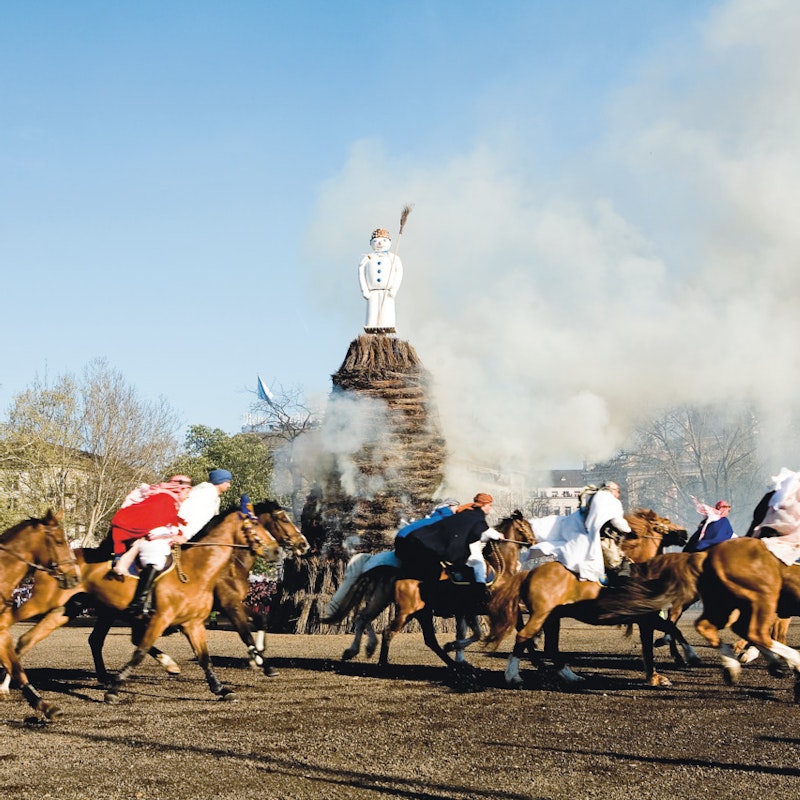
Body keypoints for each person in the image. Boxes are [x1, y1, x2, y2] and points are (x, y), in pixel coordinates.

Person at [110, 475, 193, 616]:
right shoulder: (165, 499)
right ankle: (138, 603)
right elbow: (153, 528)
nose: (188, 496)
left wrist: (177, 533)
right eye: (187, 492)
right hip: (143, 537)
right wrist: (175, 535)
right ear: (180, 489)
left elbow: (165, 523)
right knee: (156, 560)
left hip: (151, 536)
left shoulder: (171, 500)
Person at [395, 493, 501, 601]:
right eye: (489, 505)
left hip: (405, 539)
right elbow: (480, 530)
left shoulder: (451, 516)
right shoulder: (464, 517)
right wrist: (498, 535)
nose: (458, 509)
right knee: (477, 563)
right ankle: (478, 592)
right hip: (414, 543)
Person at [524, 481, 632, 584]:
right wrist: (629, 530)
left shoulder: (594, 497)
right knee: (618, 565)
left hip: (578, 532)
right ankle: (618, 585)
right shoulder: (610, 500)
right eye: (617, 491)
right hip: (595, 538)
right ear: (611, 489)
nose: (618, 494)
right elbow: (618, 521)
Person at [358, 227, 403, 332]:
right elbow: (361, 273)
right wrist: (364, 290)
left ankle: (387, 325)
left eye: (383, 240)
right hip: (372, 291)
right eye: (376, 240)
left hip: (387, 291)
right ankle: (371, 325)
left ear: (389, 243)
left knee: (387, 311)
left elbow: (399, 272)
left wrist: (394, 289)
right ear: (371, 243)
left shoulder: (393, 258)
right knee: (372, 312)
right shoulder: (367, 258)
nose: (380, 243)